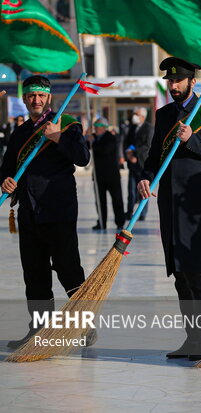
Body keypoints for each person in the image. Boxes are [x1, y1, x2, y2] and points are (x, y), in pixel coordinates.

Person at [138, 57, 201, 361]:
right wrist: (145, 177)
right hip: (170, 204)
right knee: (179, 274)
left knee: (196, 272)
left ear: (192, 82)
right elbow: (154, 157)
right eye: (170, 81)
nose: (173, 86)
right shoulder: (164, 115)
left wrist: (192, 140)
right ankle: (192, 340)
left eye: (178, 81)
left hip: (197, 205)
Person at [0, 75, 91, 348]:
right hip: (29, 211)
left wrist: (57, 136)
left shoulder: (69, 124)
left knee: (68, 270)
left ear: (49, 98)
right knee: (35, 275)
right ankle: (38, 331)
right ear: (25, 99)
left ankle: (84, 328)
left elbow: (82, 157)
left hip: (59, 210)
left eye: (41, 96)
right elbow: (6, 167)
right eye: (31, 96)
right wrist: (4, 179)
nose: (36, 100)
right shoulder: (19, 132)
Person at [89, 118, 125, 231]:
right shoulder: (94, 137)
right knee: (100, 201)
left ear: (104, 127)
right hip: (99, 175)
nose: (95, 128)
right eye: (95, 126)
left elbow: (104, 150)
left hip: (111, 175)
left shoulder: (111, 138)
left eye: (98, 126)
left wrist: (93, 142)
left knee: (117, 199)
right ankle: (101, 221)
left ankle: (120, 222)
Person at [125, 107, 153, 221]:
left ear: (142, 116)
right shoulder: (132, 128)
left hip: (143, 164)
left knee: (144, 190)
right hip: (132, 164)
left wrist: (135, 154)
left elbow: (147, 145)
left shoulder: (149, 128)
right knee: (131, 190)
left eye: (136, 114)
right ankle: (129, 211)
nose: (134, 116)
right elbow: (128, 142)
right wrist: (128, 154)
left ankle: (142, 213)